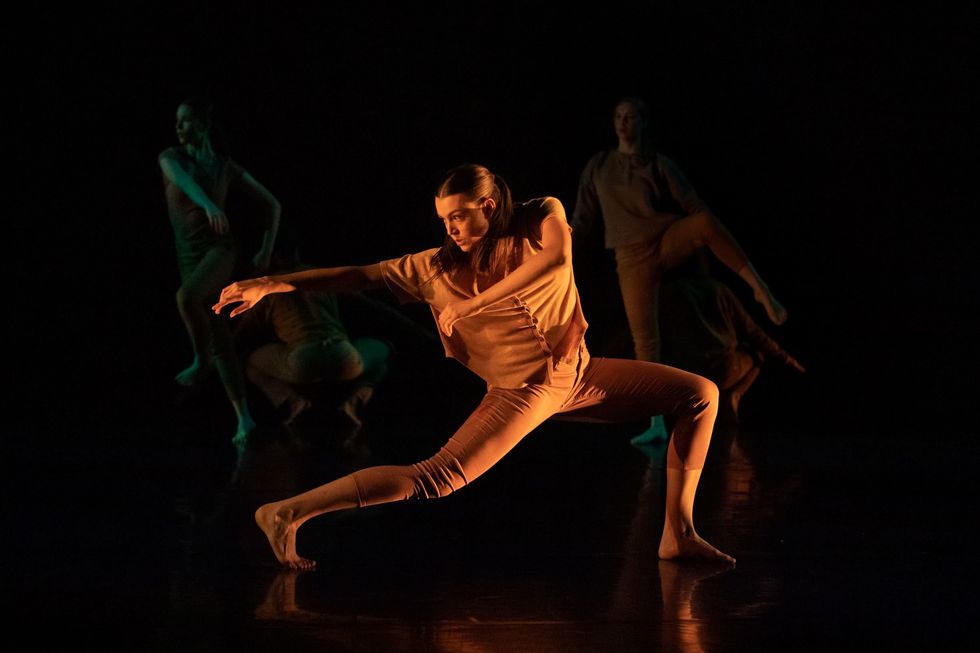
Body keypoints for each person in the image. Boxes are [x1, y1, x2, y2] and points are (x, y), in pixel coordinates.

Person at [213, 164, 734, 570]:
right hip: (521, 393)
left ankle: (678, 533)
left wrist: (472, 306)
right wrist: (280, 282)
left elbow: (553, 261)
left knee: (700, 394)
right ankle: (286, 511)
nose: (451, 228)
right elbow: (364, 274)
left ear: (488, 204)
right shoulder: (437, 268)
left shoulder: (539, 215)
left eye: (459, 216)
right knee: (436, 479)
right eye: (444, 219)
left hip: (578, 376)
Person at [572, 96, 788, 443]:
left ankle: (760, 289)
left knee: (703, 223)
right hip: (631, 257)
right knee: (646, 340)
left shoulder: (658, 163)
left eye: (630, 117)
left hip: (665, 238)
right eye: (618, 117)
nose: (624, 123)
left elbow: (694, 204)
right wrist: (560, 247)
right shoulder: (599, 165)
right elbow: (582, 220)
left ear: (642, 122)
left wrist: (709, 236)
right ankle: (656, 422)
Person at [159, 97, 281, 443]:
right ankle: (244, 419)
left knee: (186, 298)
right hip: (189, 257)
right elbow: (184, 182)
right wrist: (209, 203)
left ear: (203, 125)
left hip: (220, 252)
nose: (180, 129)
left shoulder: (225, 166)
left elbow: (274, 205)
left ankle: (200, 361)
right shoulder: (171, 158)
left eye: (186, 121)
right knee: (219, 334)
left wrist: (266, 249)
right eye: (177, 122)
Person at [233, 224, 391, 442]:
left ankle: (292, 402)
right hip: (342, 354)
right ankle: (354, 402)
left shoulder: (265, 288)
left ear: (271, 253)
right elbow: (363, 299)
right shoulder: (320, 275)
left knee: (251, 363)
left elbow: (242, 333)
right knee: (382, 351)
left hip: (302, 360)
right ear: (298, 248)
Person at [659, 271, 805, 424]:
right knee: (755, 354)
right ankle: (734, 396)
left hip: (685, 372)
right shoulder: (718, 289)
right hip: (722, 369)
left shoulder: (667, 292)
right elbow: (753, 332)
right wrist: (786, 358)